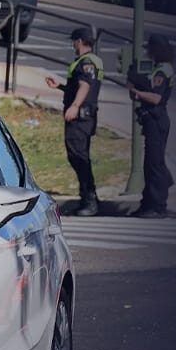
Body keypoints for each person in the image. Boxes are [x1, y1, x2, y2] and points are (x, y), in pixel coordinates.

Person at [45, 27, 104, 216]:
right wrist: (60, 86)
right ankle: (87, 198)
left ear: (79, 41)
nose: (73, 45)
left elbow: (85, 85)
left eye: (74, 41)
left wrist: (75, 106)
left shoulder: (86, 62)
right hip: (83, 116)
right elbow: (78, 86)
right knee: (77, 156)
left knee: (79, 157)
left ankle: (90, 200)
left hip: (81, 118)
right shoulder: (89, 61)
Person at [128, 33, 175, 218]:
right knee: (150, 164)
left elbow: (156, 97)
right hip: (152, 120)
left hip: (157, 119)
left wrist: (138, 93)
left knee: (155, 164)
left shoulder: (163, 70)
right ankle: (148, 203)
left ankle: (157, 205)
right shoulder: (159, 68)